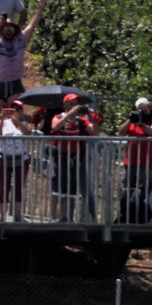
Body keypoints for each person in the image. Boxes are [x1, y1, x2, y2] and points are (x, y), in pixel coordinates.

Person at [0, 0, 45, 117]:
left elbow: (31, 26)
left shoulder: (20, 39)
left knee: (15, 111)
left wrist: (40, 9)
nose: (8, 30)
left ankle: (12, 134)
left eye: (11, 27)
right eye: (5, 27)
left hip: (14, 81)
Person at [47, 92, 95, 223]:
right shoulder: (58, 116)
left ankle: (64, 217)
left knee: (69, 190)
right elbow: (55, 127)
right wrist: (70, 114)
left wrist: (94, 116)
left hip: (75, 159)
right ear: (65, 104)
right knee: (57, 189)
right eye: (71, 103)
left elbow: (94, 131)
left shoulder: (81, 121)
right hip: (60, 157)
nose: (75, 105)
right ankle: (52, 216)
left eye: (76, 103)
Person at [0, 100, 34, 222]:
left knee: (19, 186)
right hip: (3, 157)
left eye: (17, 109)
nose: (14, 111)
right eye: (12, 109)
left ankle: (17, 214)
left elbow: (28, 134)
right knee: (3, 186)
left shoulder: (25, 123)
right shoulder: (2, 123)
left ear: (21, 111)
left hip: (21, 158)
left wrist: (18, 123)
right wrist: (1, 119)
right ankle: (2, 215)